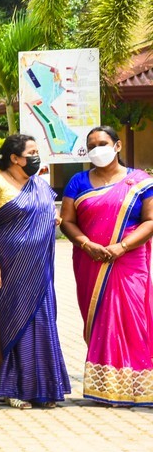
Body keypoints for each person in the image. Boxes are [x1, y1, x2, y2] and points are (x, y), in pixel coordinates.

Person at [0, 135, 69, 410]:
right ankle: (15, 388)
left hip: (40, 267)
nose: (36, 157)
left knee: (43, 322)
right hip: (9, 267)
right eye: (32, 152)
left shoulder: (39, 184)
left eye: (37, 151)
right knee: (17, 323)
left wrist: (52, 219)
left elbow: (47, 212)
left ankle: (44, 389)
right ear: (15, 158)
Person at [61, 126, 153, 407]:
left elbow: (150, 221)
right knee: (102, 317)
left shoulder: (139, 181)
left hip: (129, 260)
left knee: (133, 316)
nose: (96, 150)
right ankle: (108, 387)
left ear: (117, 146)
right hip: (90, 260)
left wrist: (122, 247)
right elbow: (67, 221)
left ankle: (139, 386)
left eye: (102, 143)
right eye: (91, 146)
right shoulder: (78, 181)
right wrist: (86, 244)